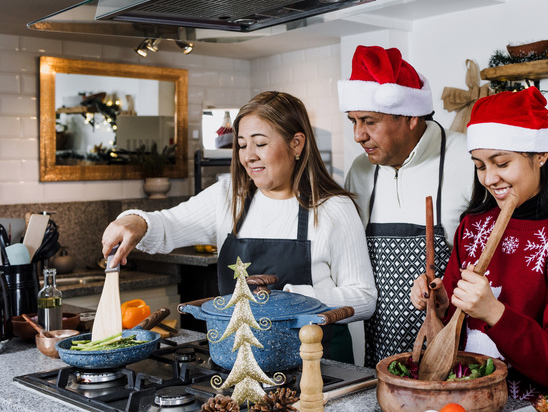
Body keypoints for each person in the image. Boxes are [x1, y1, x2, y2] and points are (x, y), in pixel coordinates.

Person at [101, 91, 377, 364]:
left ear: (296, 144)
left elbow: (364, 298)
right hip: (240, 362)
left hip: (319, 364)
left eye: (260, 144)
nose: (248, 156)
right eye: (242, 145)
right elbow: (167, 225)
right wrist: (135, 221)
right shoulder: (229, 197)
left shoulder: (332, 208)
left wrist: (299, 299)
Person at [411, 87, 548, 399]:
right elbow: (453, 333)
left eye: (501, 163)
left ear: (541, 155)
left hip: (536, 405)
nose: (489, 178)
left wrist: (493, 312)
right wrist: (439, 304)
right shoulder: (472, 226)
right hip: (464, 398)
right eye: (480, 165)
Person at [339, 45, 473, 367]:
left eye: (369, 121)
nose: (358, 135)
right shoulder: (359, 170)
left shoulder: (468, 159)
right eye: (353, 121)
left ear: (411, 117)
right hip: (379, 360)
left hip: (456, 352)